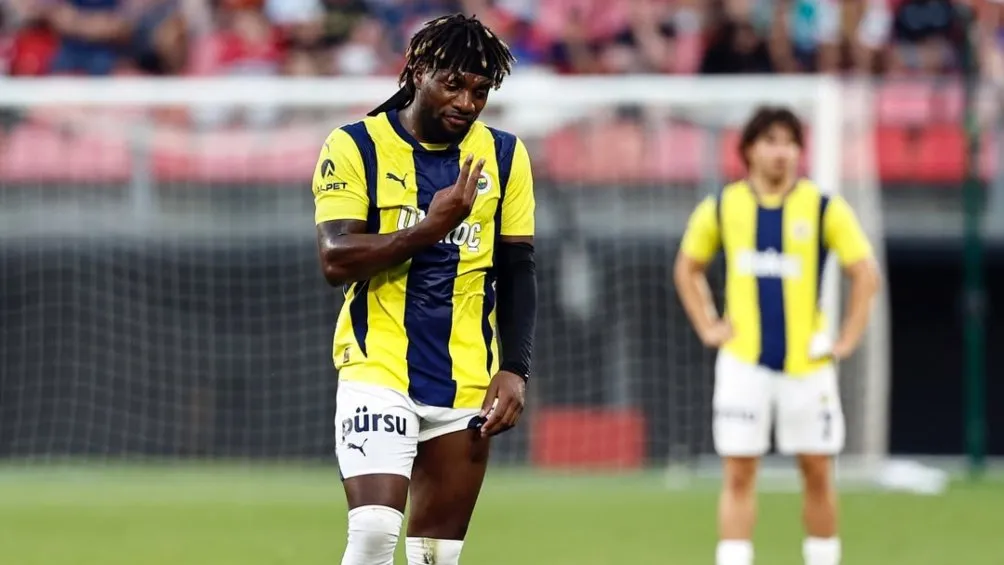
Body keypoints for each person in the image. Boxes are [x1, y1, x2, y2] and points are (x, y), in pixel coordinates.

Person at [311, 14, 536, 565]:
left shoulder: (506, 157)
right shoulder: (355, 146)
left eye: (480, 90)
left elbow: (517, 270)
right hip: (378, 366)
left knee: (436, 555)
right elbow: (336, 259)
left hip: (467, 379)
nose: (466, 102)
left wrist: (515, 368)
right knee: (372, 532)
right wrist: (431, 228)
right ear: (417, 72)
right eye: (453, 84)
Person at [674, 106, 880, 565]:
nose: (781, 152)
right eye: (770, 141)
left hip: (807, 366)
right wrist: (708, 325)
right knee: (739, 473)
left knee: (818, 471)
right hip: (743, 364)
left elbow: (866, 274)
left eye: (790, 142)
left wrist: (846, 339)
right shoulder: (723, 206)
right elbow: (687, 268)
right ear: (748, 149)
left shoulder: (823, 207)